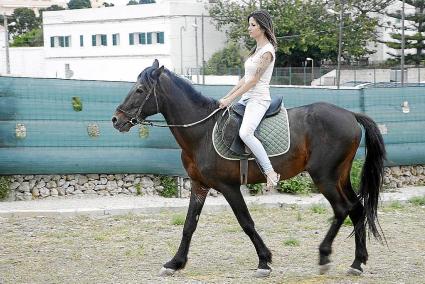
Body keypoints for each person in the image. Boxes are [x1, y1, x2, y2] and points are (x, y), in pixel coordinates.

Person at [219, 10, 280, 191]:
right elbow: (245, 79)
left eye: (252, 25)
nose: (249, 28)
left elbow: (254, 81)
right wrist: (228, 96)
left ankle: (270, 173)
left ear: (262, 27)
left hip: (258, 99)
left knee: (245, 133)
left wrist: (231, 99)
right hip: (246, 98)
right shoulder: (257, 50)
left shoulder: (267, 51)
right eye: (249, 24)